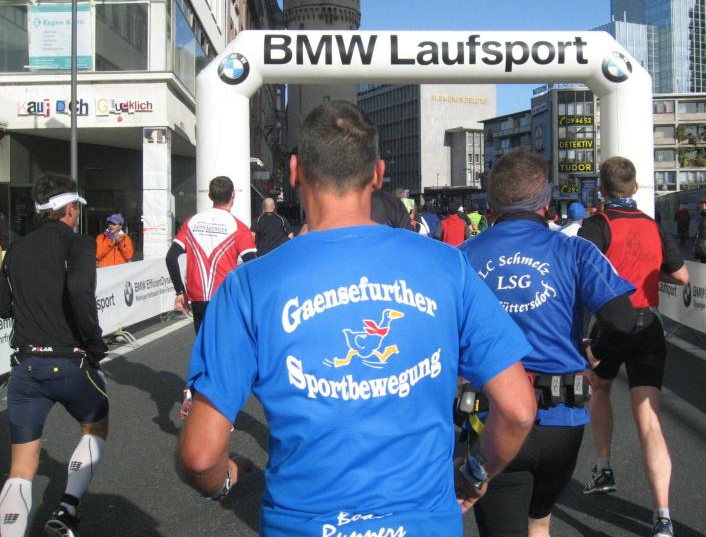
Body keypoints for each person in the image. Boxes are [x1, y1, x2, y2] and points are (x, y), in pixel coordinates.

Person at [178, 101, 536, 536]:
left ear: (295, 171)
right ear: (378, 174)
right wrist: (475, 473)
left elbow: (200, 457)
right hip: (425, 522)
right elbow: (518, 410)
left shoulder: (247, 286)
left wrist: (224, 480)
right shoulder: (447, 266)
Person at [460, 151, 659, 537]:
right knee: (539, 523)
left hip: (493, 418)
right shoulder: (575, 250)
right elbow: (624, 318)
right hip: (561, 422)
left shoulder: (462, 257)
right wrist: (594, 353)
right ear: (546, 201)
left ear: (492, 202)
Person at [578, 157, 688, 537]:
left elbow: (580, 274)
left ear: (601, 190)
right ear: (636, 188)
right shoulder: (654, 226)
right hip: (648, 325)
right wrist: (651, 276)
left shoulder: (596, 226)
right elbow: (682, 276)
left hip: (611, 325)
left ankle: (604, 467)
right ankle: (662, 515)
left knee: (600, 388)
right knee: (649, 419)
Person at [0, 174, 110, 537]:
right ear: (70, 209)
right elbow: (80, 290)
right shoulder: (79, 243)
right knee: (95, 426)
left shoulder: (16, 249)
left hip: (26, 366)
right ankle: (67, 510)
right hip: (71, 361)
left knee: (20, 468)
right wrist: (94, 344)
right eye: (76, 208)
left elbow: (3, 306)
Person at [165, 176, 257, 334]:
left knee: (203, 346)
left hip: (198, 297)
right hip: (225, 296)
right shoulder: (239, 227)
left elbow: (171, 257)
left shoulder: (191, 222)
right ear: (233, 195)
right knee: (224, 345)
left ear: (210, 196)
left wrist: (180, 291)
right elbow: (252, 266)